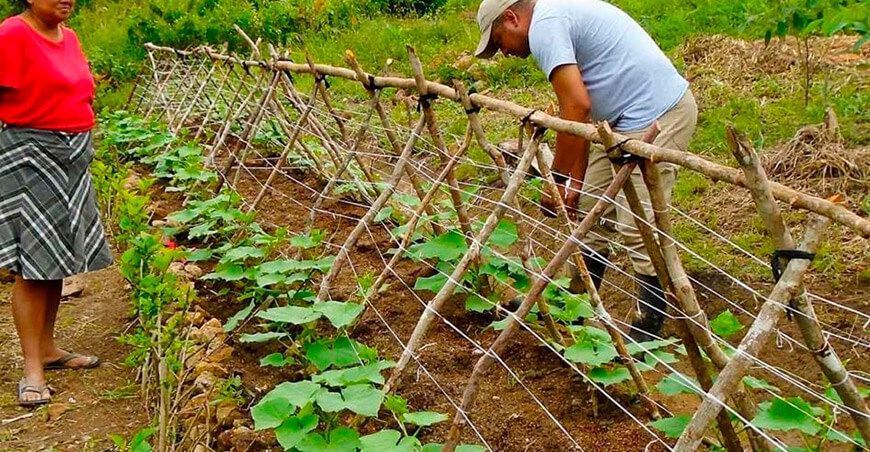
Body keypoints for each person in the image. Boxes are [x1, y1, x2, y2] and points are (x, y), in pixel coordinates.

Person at [474, 0, 698, 342]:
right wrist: (573, 187)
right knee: (587, 216)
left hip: (657, 115)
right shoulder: (551, 19)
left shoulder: (547, 25)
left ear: (511, 18)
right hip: (616, 123)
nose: (501, 51)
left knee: (636, 225)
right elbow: (577, 117)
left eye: (498, 40)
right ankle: (575, 303)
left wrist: (558, 180)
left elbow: (576, 107)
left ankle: (650, 324)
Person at [1, 0, 112, 406]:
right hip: (32, 155)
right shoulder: (13, 34)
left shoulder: (71, 36)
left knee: (54, 260)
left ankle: (48, 349)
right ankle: (32, 368)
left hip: (72, 157)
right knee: (32, 264)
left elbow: (80, 91)